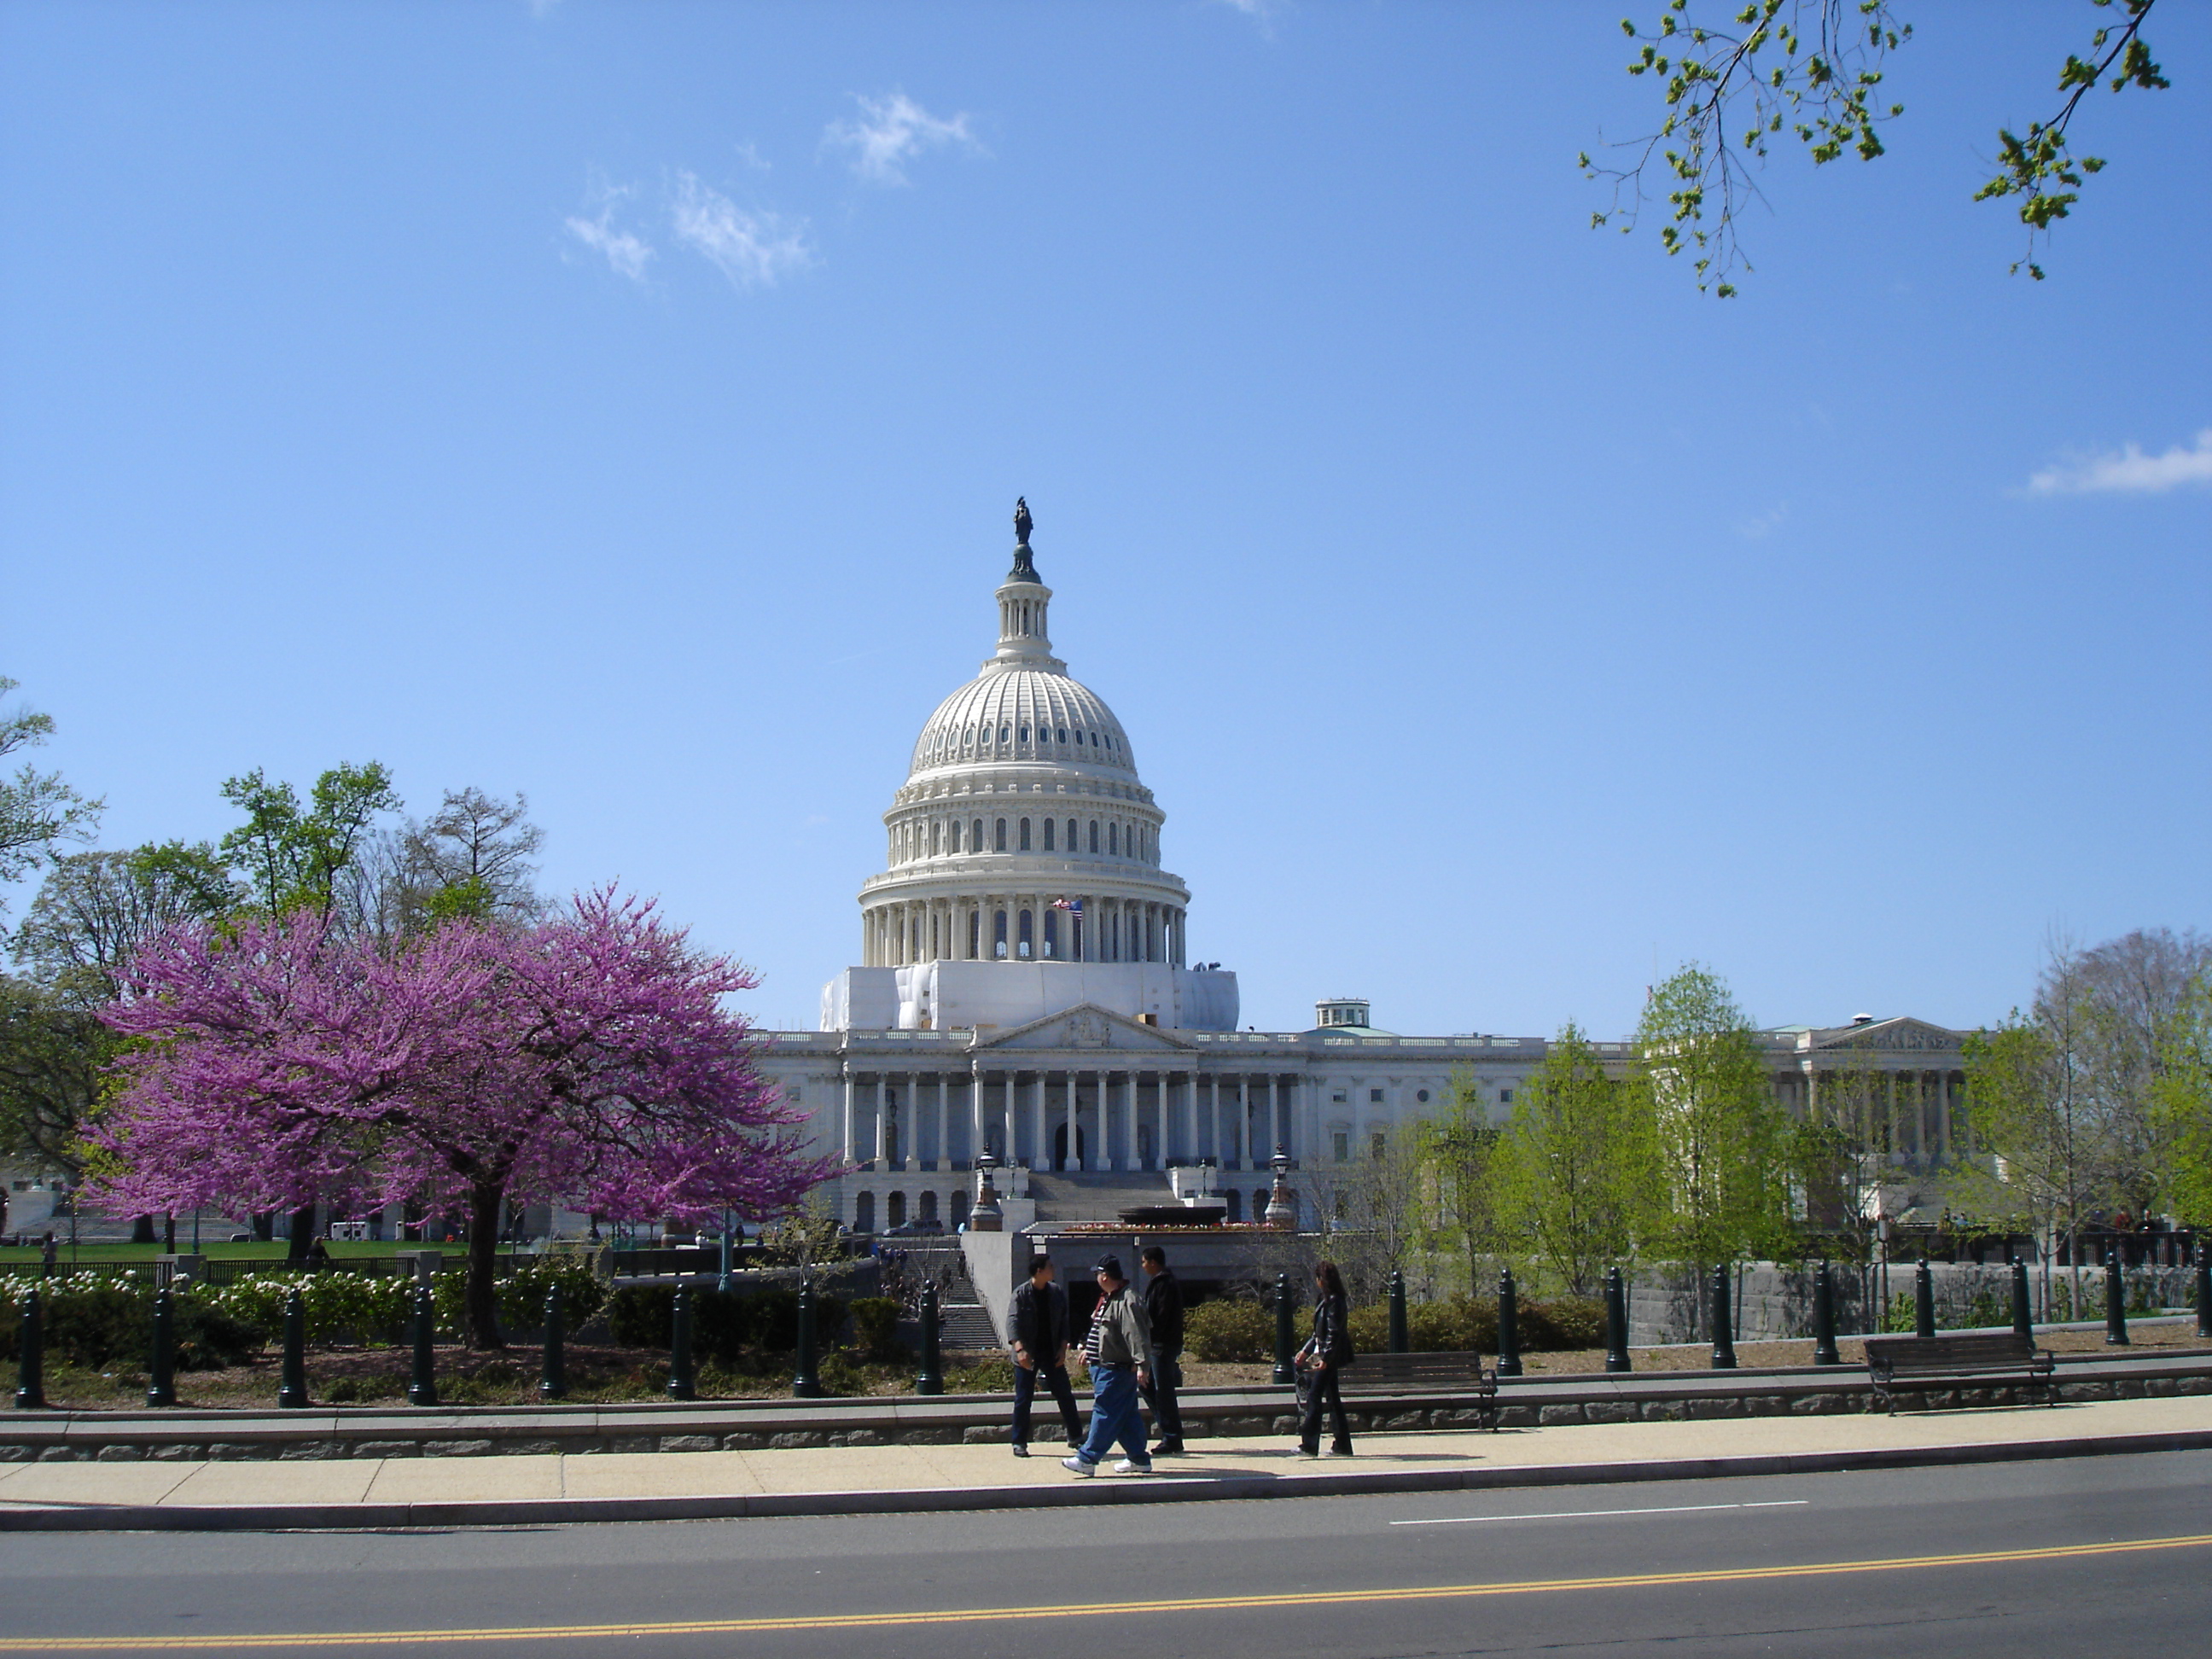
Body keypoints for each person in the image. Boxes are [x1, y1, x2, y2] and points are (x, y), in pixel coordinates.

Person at [1063, 1254, 1154, 1477]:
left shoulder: (1126, 1300)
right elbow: (1103, 1333)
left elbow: (1136, 1335)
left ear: (1104, 1276)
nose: (1096, 1278)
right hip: (1105, 1366)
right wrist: (1089, 1350)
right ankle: (1138, 1458)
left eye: (1097, 1273)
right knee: (1126, 1416)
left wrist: (1142, 1365)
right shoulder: (1111, 1298)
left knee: (1105, 1411)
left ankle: (1087, 1458)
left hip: (1116, 1369)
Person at [1007, 1255, 1083, 1458]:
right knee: (1024, 1398)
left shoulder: (1055, 1292)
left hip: (1051, 1351)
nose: (1053, 1269)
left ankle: (1076, 1437)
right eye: (1050, 1266)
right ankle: (1019, 1442)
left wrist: (1063, 1347)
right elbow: (1012, 1322)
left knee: (1065, 1395)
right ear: (1039, 1271)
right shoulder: (1021, 1294)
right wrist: (1020, 1349)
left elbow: (1064, 1321)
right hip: (1028, 1354)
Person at [1295, 1259, 1355, 1458]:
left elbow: (1334, 1332)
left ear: (1322, 1279)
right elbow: (1318, 1333)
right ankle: (1343, 1445)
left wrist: (1326, 1358)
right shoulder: (1325, 1299)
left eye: (1318, 1278)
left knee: (1314, 1396)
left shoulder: (1335, 1302)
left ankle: (1309, 1445)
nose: (1317, 1282)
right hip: (1327, 1354)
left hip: (1330, 1357)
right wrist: (1306, 1350)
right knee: (1333, 1399)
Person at [1140, 1244, 1186, 1456]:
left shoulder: (1165, 1283)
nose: (1142, 1266)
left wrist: (1150, 1337)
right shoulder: (1158, 1282)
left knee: (1163, 1390)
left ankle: (1172, 1437)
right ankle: (1169, 1430)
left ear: (1153, 1262)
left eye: (1144, 1262)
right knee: (1148, 1387)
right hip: (1157, 1345)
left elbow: (1161, 1316)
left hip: (1162, 1345)